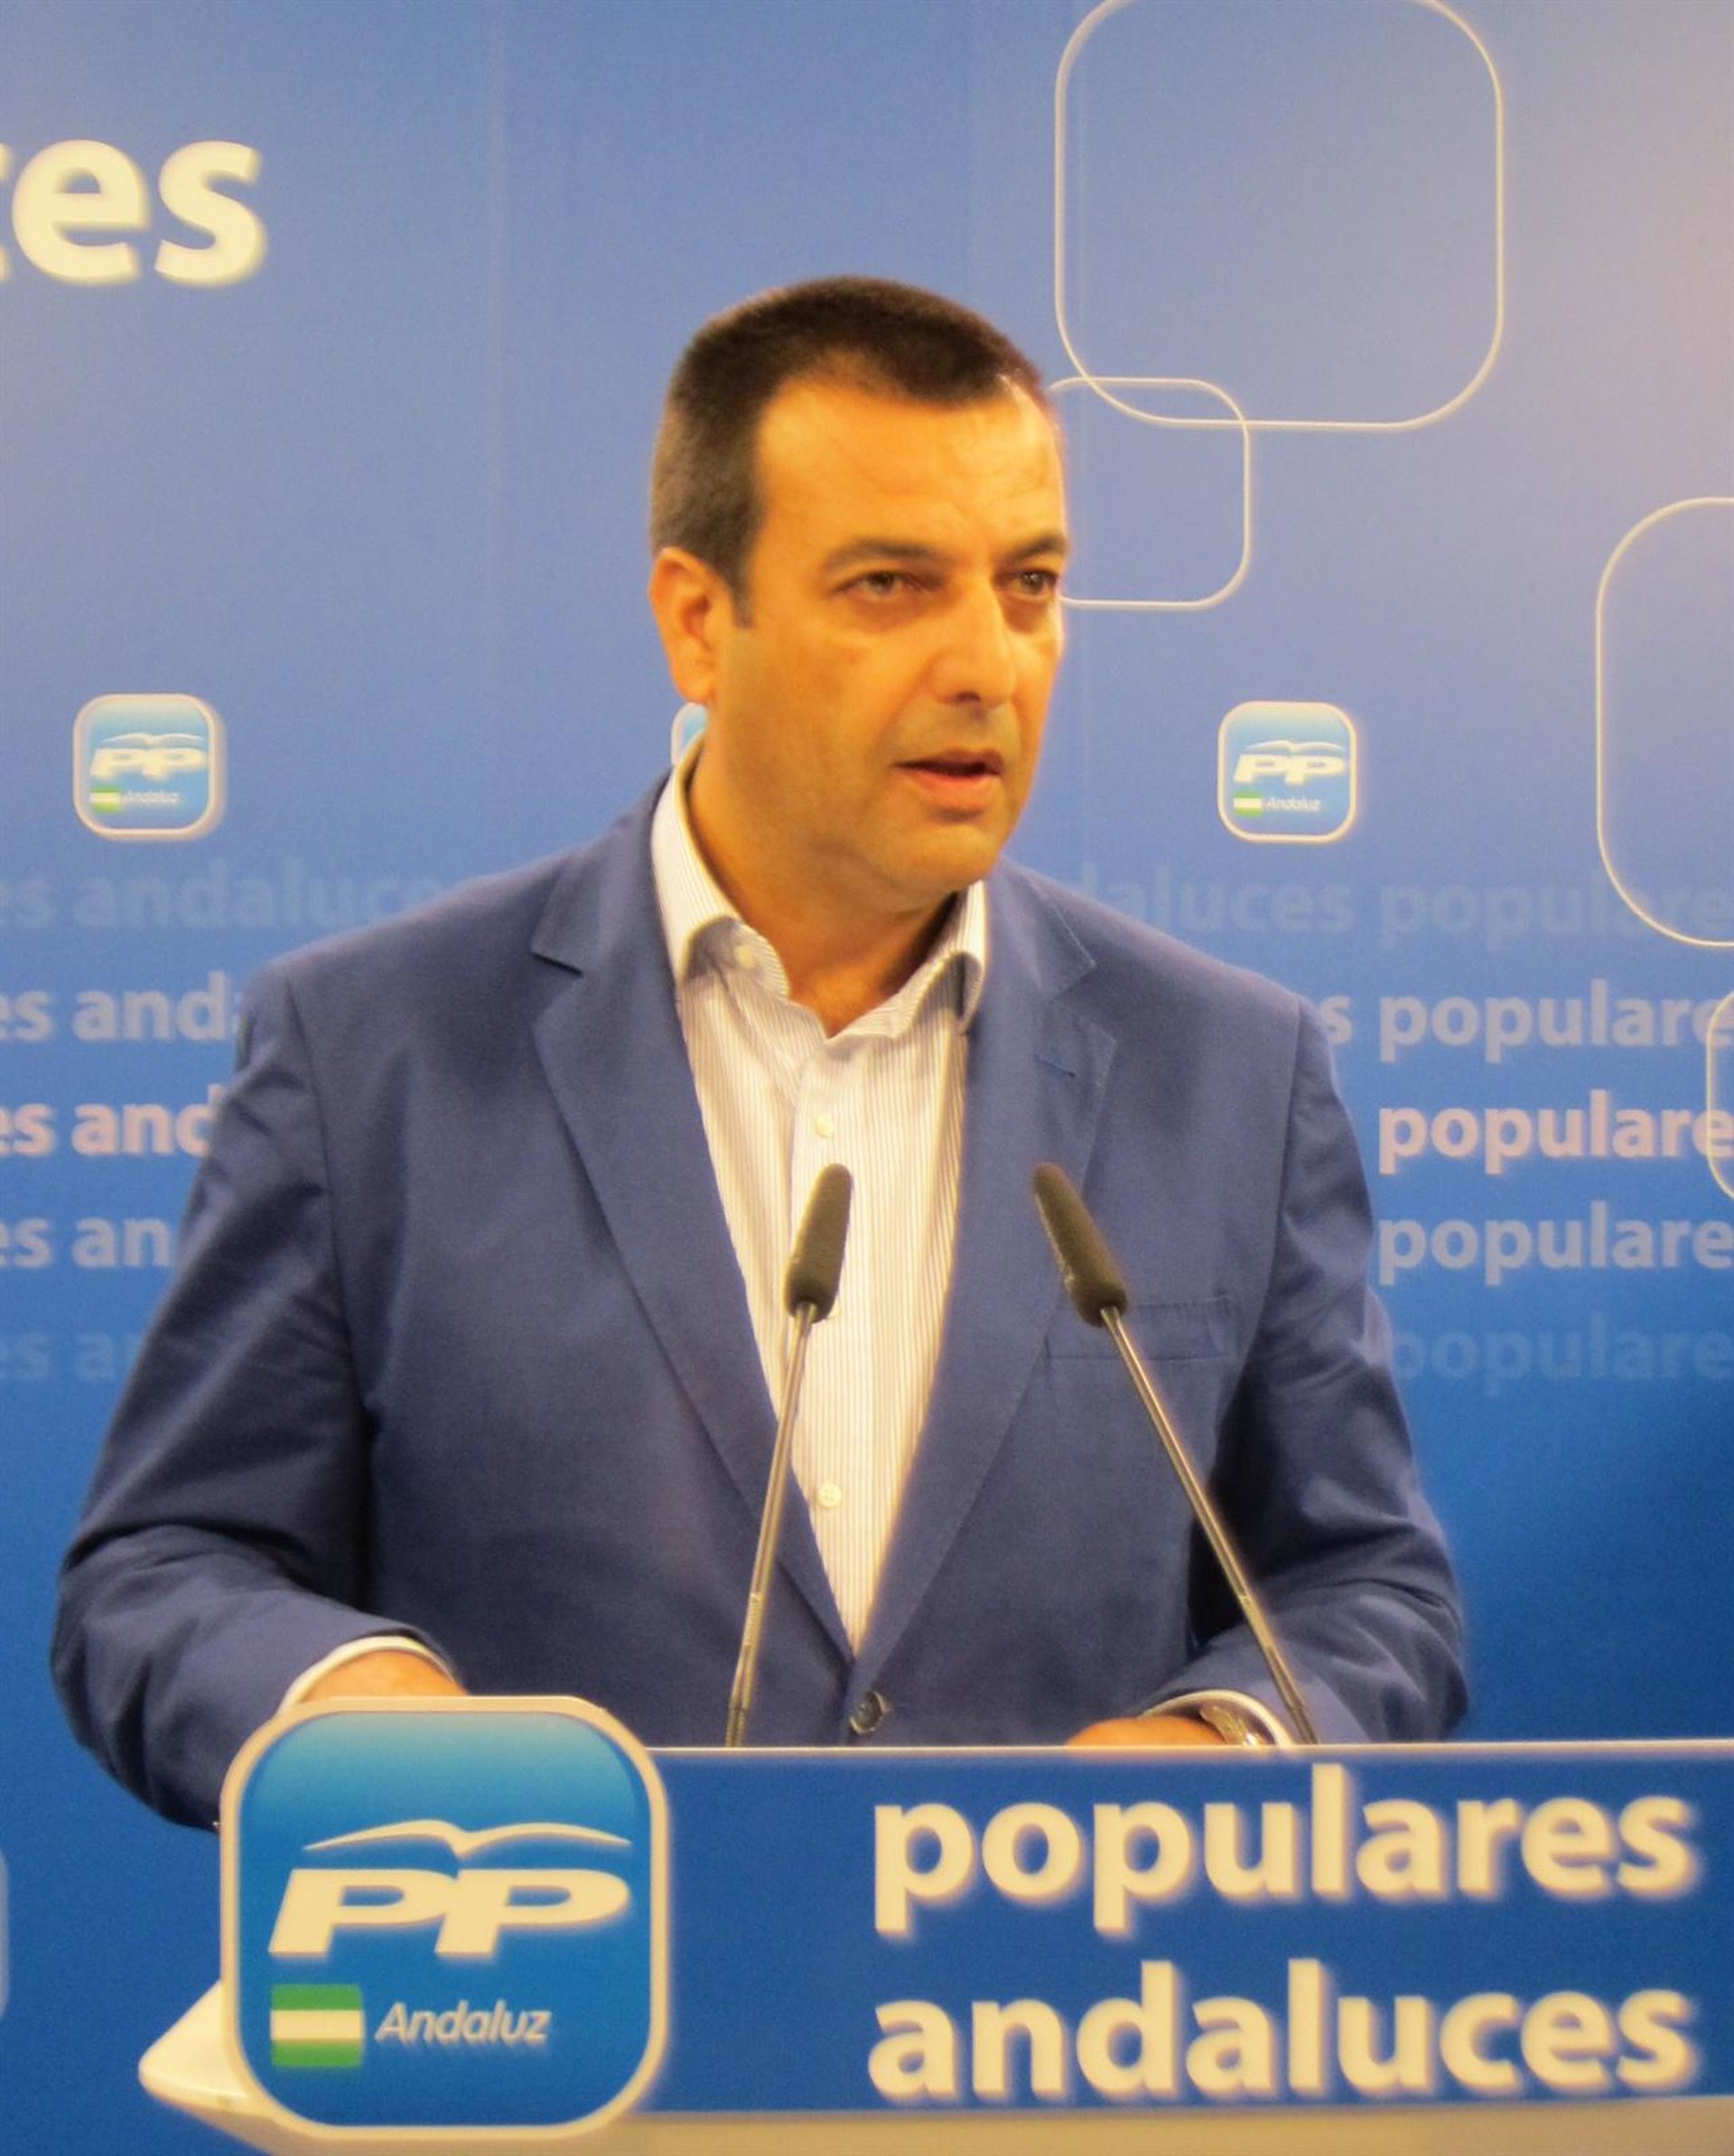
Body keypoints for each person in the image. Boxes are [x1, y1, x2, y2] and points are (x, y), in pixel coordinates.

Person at [53, 278, 1465, 1827]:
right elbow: (164, 1573)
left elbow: (1365, 1590)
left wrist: (1223, 1743)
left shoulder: (1231, 1073)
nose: (988, 665)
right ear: (697, 622)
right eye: (889, 585)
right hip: (554, 1957)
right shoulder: (370, 1052)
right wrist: (348, 1702)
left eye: (1030, 584)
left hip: (1049, 1970)